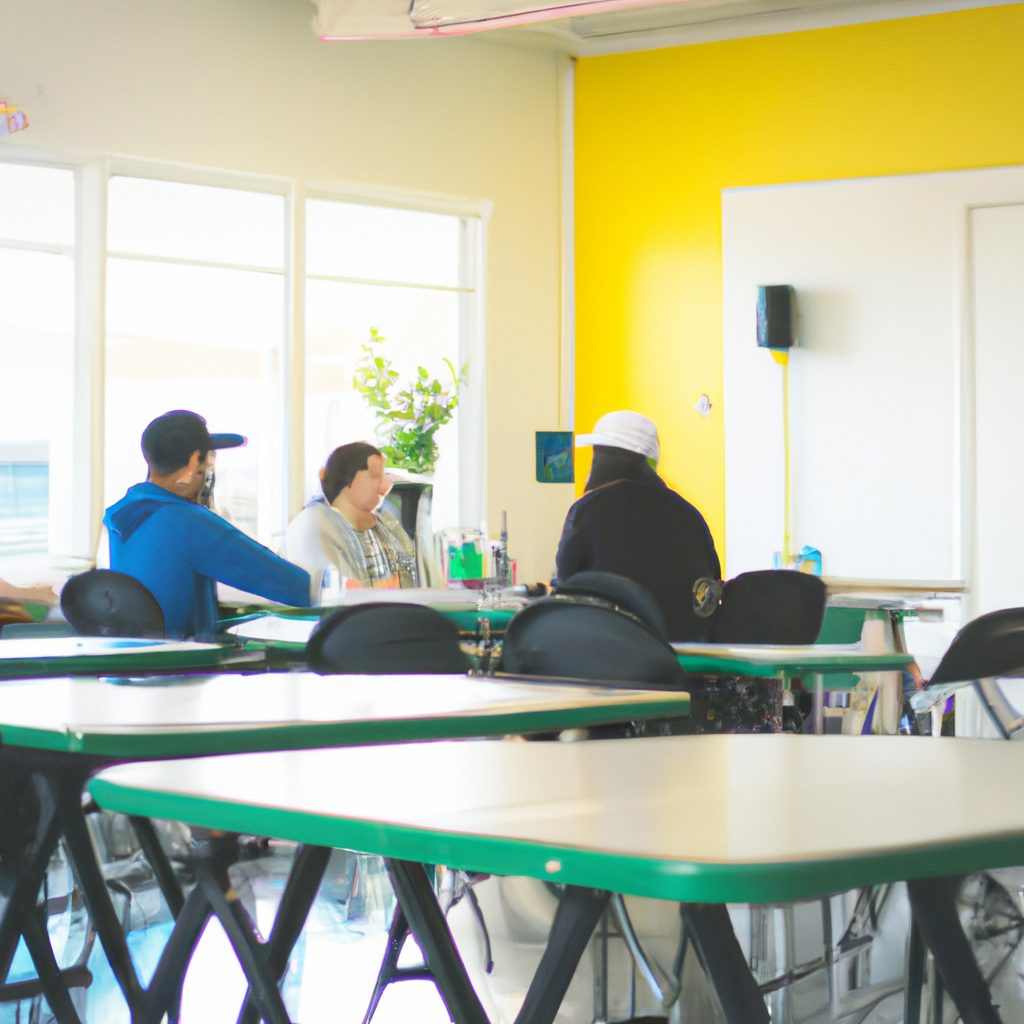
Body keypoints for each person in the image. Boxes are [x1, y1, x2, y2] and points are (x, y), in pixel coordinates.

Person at [104, 410, 312, 640]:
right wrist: (327, 590)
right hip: (178, 657)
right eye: (208, 461)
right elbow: (290, 584)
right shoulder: (186, 521)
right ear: (194, 462)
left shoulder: (125, 514)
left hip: (133, 654)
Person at [556, 410, 721, 642]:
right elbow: (711, 584)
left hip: (613, 650)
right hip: (684, 654)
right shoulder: (689, 514)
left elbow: (565, 585)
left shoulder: (586, 511)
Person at [285, 442, 417, 591]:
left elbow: (413, 575)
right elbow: (336, 590)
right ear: (348, 479)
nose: (386, 485)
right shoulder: (311, 523)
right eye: (375, 476)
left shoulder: (384, 520)